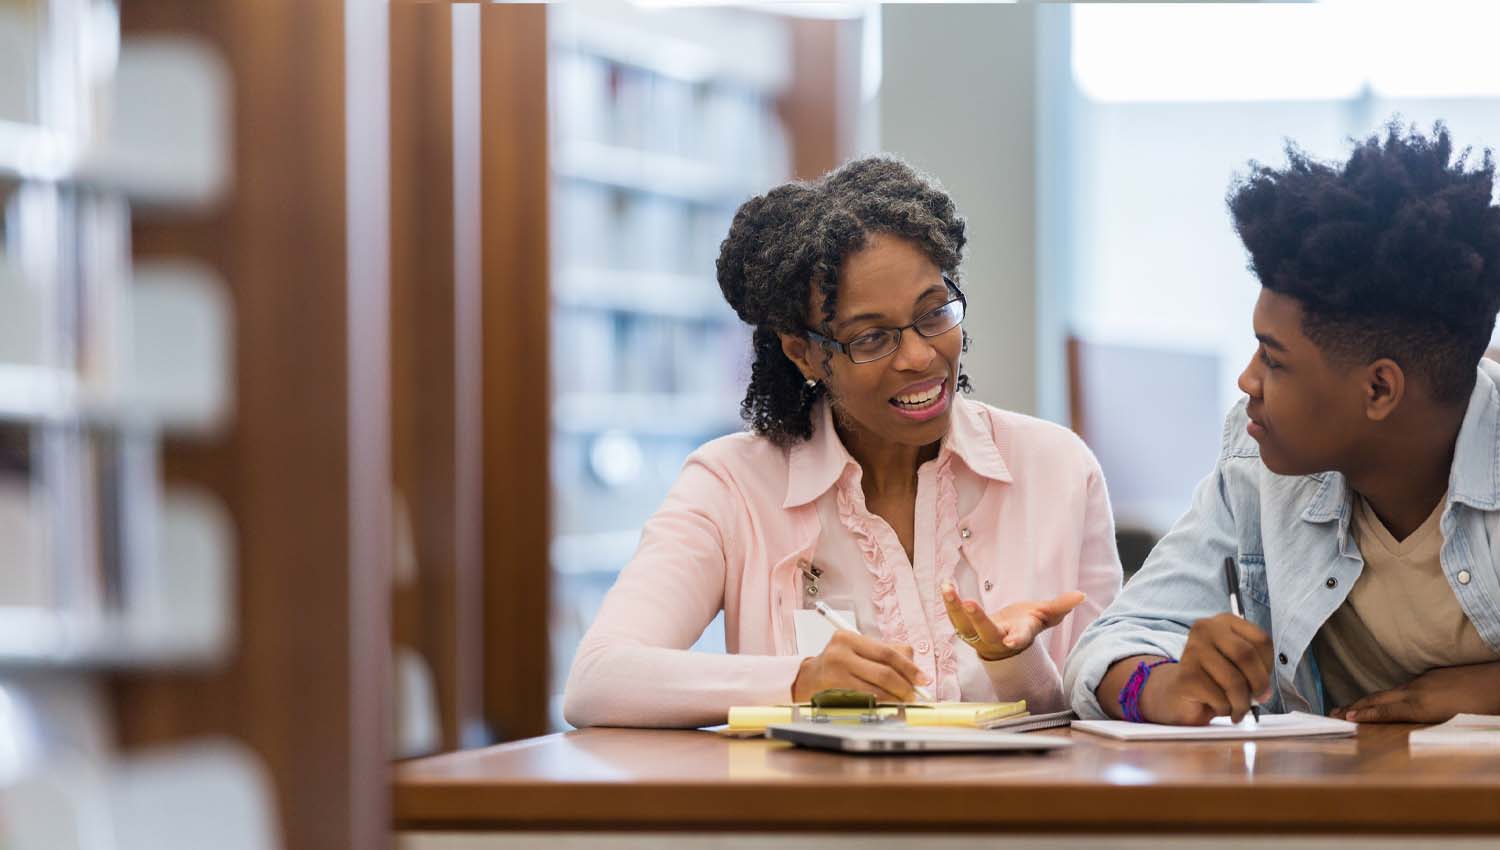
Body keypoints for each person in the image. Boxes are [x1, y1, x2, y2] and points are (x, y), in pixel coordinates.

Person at [564, 156, 1122, 728]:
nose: (920, 356)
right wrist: (800, 680)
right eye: (872, 337)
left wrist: (1012, 661)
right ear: (802, 352)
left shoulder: (1057, 468)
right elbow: (598, 680)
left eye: (934, 314)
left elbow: (1102, 710)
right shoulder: (732, 485)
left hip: (1022, 814)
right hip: (819, 816)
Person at [1064, 121, 1500, 726]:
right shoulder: (1258, 460)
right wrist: (1161, 684)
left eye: (1273, 358)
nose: (1248, 382)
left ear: (1379, 388)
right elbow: (1116, 640)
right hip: (1337, 810)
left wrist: (1485, 694)